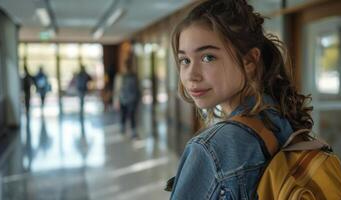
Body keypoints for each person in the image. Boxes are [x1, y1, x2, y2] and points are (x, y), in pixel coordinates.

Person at [168, 0, 313, 199]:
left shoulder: (211, 148)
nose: (191, 75)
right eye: (185, 60)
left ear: (250, 61)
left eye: (208, 57)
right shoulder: (278, 116)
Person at [113, 59, 141, 139]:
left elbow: (137, 89)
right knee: (125, 115)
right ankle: (125, 130)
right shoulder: (121, 76)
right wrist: (116, 101)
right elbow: (117, 90)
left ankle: (131, 132)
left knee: (130, 116)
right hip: (125, 100)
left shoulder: (132, 76)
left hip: (129, 100)